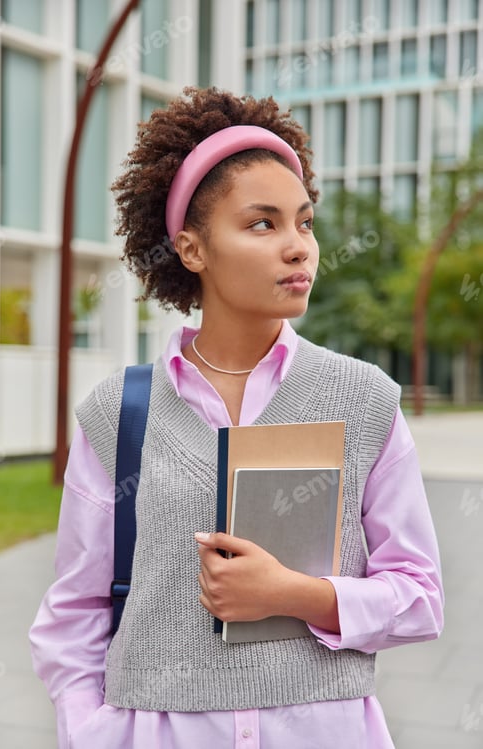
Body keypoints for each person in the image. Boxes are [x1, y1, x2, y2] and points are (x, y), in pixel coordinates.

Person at [30, 86, 444, 749]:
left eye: (305, 222)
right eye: (262, 223)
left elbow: (420, 596)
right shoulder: (119, 412)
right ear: (191, 249)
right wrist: (92, 731)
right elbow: (75, 608)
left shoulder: (364, 399)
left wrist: (295, 592)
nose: (298, 247)